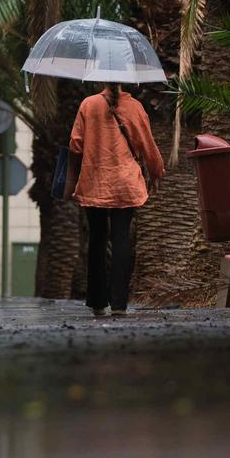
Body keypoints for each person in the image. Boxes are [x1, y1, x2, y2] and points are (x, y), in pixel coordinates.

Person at [69, 83, 165, 317]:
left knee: (97, 239)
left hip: (95, 181)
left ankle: (97, 301)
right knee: (121, 238)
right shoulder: (134, 107)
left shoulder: (88, 105)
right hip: (125, 183)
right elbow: (147, 145)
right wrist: (156, 172)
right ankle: (120, 304)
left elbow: (76, 144)